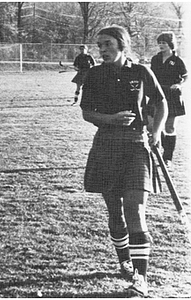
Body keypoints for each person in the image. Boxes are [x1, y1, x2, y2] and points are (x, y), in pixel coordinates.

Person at [80, 25, 168, 297]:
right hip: (106, 146)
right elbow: (86, 112)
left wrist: (155, 132)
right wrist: (111, 120)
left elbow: (162, 102)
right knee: (115, 211)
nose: (102, 50)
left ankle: (141, 277)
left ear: (121, 44)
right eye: (99, 46)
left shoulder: (140, 71)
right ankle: (124, 261)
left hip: (136, 147)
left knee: (134, 209)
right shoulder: (94, 74)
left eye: (107, 44)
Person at [150, 31, 188, 169]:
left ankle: (168, 158)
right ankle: (159, 152)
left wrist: (179, 84)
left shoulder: (178, 61)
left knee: (170, 127)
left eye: (164, 43)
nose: (161, 45)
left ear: (170, 44)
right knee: (154, 124)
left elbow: (185, 76)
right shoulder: (155, 59)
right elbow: (151, 76)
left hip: (172, 96)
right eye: (159, 43)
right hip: (158, 94)